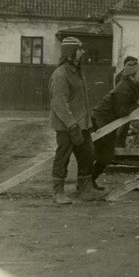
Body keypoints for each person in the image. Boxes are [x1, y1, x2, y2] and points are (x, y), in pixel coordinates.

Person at [49, 36, 107, 204]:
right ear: (70, 54)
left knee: (88, 155)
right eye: (79, 49)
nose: (83, 52)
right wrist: (72, 126)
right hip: (66, 126)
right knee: (63, 156)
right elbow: (59, 103)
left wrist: (85, 123)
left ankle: (84, 189)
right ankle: (58, 192)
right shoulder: (60, 74)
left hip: (81, 124)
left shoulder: (78, 71)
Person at [90, 60, 139, 190]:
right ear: (131, 76)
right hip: (101, 118)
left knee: (108, 155)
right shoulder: (123, 88)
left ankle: (91, 180)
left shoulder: (136, 85)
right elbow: (123, 112)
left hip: (112, 121)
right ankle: (84, 183)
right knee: (98, 152)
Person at [113, 56, 138, 148]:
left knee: (125, 128)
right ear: (125, 65)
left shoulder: (133, 76)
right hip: (122, 105)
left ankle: (121, 146)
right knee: (121, 127)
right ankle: (117, 148)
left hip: (128, 105)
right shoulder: (120, 76)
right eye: (131, 64)